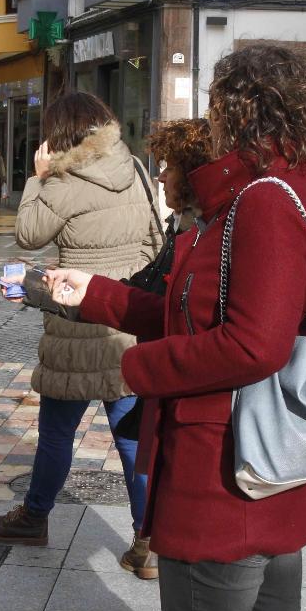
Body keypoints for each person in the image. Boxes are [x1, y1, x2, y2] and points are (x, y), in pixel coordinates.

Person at [47, 43, 306, 611]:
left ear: (242, 106)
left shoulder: (267, 201)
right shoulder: (277, 190)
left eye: (219, 100)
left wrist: (136, 373)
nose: (210, 116)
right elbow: (199, 313)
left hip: (229, 475)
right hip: (262, 467)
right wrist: (101, 297)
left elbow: (253, 344)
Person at [0, 92, 163, 572]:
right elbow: (156, 242)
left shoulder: (63, 180)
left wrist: (37, 180)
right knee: (132, 437)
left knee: (57, 433)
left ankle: (33, 518)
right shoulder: (136, 169)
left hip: (77, 323)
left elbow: (28, 233)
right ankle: (149, 543)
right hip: (129, 318)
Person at [118, 118, 209, 577]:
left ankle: (151, 542)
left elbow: (160, 299)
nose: (159, 175)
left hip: (176, 383)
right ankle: (148, 539)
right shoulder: (184, 224)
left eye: (169, 166)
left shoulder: (201, 233)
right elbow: (151, 285)